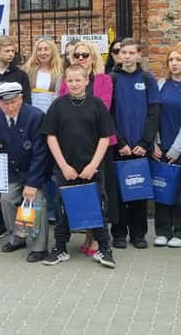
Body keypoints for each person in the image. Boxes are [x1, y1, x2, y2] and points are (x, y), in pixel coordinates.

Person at [40, 64, 116, 268]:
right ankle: (60, 248)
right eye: (70, 80)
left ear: (86, 81)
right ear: (65, 82)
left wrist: (93, 165)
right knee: (62, 208)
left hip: (92, 168)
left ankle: (105, 248)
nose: (74, 84)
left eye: (78, 80)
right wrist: (63, 166)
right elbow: (50, 136)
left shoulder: (97, 105)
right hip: (66, 168)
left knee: (98, 207)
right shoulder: (58, 105)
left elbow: (105, 138)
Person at [56, 40, 117, 257]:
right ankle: (86, 235)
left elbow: (103, 108)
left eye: (85, 55)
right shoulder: (68, 79)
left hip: (98, 144)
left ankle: (96, 239)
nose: (81, 58)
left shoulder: (104, 80)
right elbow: (63, 105)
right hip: (74, 144)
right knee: (79, 191)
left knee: (97, 193)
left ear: (93, 57)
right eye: (77, 55)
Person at [0, 82, 50, 263]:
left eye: (13, 102)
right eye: (5, 104)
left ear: (21, 98)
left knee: (35, 202)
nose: (10, 107)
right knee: (6, 200)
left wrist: (32, 184)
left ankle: (39, 247)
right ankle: (18, 237)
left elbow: (41, 154)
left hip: (33, 172)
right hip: (11, 172)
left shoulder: (35, 116)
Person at [109, 38, 161, 250]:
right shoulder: (111, 79)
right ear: (119, 55)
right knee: (119, 192)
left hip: (141, 147)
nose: (127, 56)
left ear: (139, 55)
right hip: (119, 147)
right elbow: (107, 114)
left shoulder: (148, 79)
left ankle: (138, 234)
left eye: (132, 53)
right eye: (124, 53)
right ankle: (119, 233)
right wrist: (119, 142)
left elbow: (154, 113)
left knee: (139, 190)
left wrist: (145, 142)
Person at [152, 42, 181, 248]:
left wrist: (177, 148)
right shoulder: (162, 84)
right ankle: (163, 231)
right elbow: (153, 115)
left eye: (178, 59)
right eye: (171, 59)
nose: (174, 63)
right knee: (162, 188)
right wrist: (154, 143)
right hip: (160, 147)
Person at [0, 36, 31, 106]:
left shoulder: (21, 75)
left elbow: (26, 102)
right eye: (7, 51)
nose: (11, 54)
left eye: (13, 51)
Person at [22, 35, 63, 113]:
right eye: (39, 49)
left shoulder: (60, 71)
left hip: (52, 113)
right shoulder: (28, 70)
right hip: (32, 113)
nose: (43, 53)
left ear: (52, 51)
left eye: (46, 49)